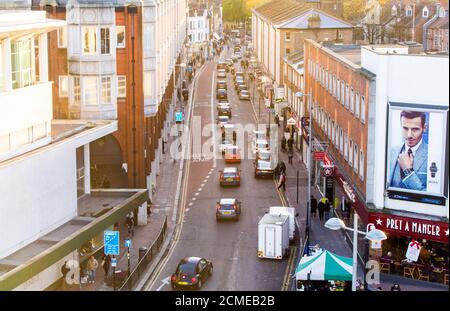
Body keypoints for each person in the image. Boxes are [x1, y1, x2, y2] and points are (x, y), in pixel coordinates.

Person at [388, 110, 428, 191]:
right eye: (405, 128)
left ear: (424, 128)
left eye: (415, 129)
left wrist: (408, 171)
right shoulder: (391, 151)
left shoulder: (432, 155)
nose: (409, 135)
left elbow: (434, 198)